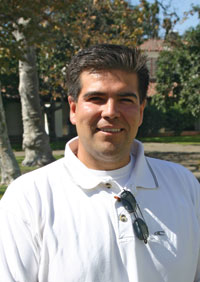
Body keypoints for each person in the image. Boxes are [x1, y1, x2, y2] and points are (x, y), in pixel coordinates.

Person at [0, 44, 199, 282]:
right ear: (73, 109)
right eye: (96, 98)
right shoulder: (29, 198)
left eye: (125, 99)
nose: (111, 112)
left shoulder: (184, 185)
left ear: (141, 110)